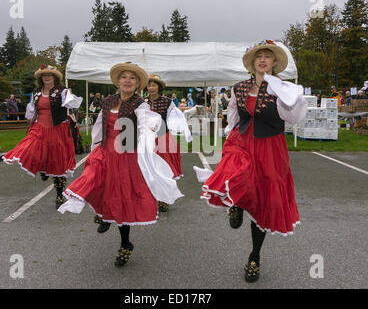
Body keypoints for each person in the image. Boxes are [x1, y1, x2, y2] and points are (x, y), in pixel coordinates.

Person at [193, 40, 308, 283]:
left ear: (275, 62)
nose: (263, 59)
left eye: (268, 56)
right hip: (242, 139)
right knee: (237, 174)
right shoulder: (239, 87)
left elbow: (293, 117)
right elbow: (234, 114)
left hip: (270, 146)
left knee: (263, 198)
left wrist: (293, 100)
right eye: (259, 56)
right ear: (253, 62)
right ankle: (236, 204)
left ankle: (254, 256)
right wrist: (229, 133)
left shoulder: (282, 88)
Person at [58, 63, 183, 267]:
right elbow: (100, 125)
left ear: (137, 84)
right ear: (117, 81)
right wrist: (96, 147)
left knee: (121, 198)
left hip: (126, 157)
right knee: (92, 182)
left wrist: (146, 148)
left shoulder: (140, 104)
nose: (127, 80)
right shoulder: (108, 102)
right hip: (106, 153)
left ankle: (125, 243)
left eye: (131, 78)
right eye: (123, 77)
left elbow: (147, 127)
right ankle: (103, 215)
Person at [3, 65, 83, 208]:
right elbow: (31, 110)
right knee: (29, 149)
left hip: (57, 129)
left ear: (55, 77)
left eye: (49, 75)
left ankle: (59, 195)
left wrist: (69, 96)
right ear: (40, 78)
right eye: (44, 75)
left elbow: (73, 105)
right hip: (39, 127)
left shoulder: (62, 91)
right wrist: (30, 123)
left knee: (57, 162)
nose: (46, 77)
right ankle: (43, 169)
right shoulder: (37, 92)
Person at [145, 74, 192, 212]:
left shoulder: (167, 102)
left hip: (163, 137)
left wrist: (183, 131)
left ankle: (164, 199)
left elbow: (177, 117)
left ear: (159, 87)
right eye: (149, 85)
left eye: (154, 85)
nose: (151, 87)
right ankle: (152, 197)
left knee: (165, 168)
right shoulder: (143, 102)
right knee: (149, 168)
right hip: (147, 139)